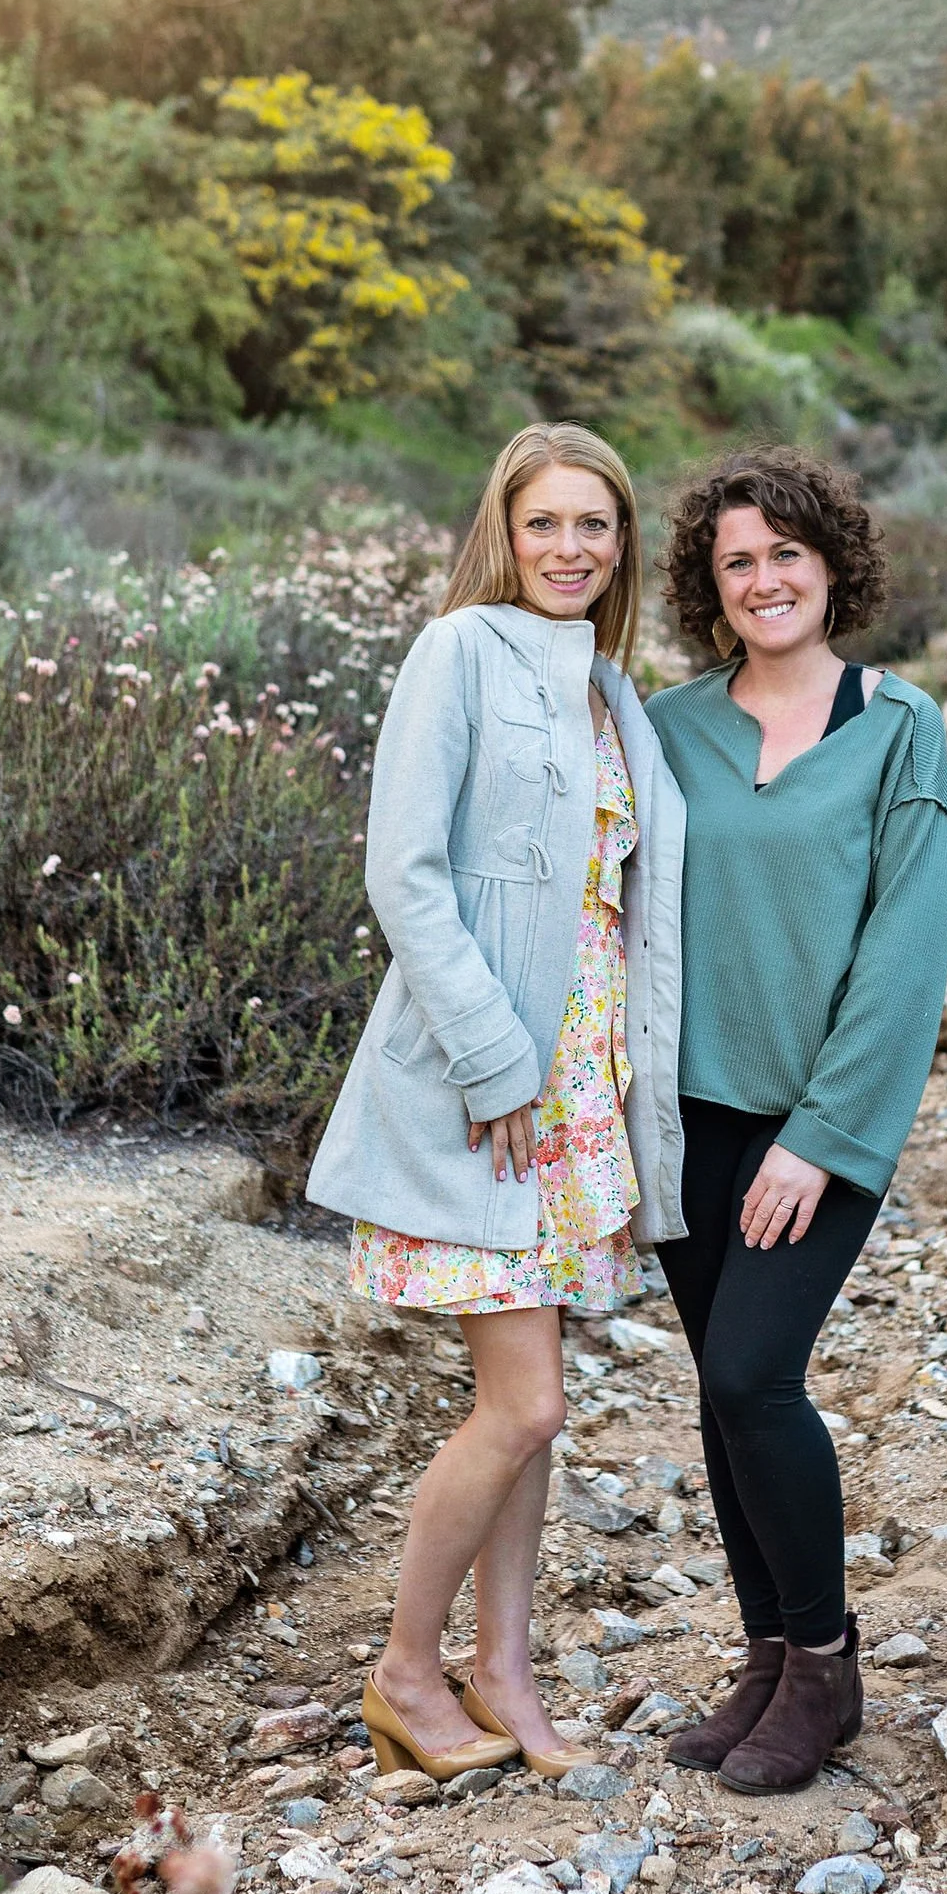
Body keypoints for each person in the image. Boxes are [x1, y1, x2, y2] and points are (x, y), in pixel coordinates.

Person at [307, 423, 685, 1783]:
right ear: (503, 533)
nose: (572, 548)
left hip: (577, 1090)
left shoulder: (610, 694)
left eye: (597, 525)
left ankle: (506, 1675)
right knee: (521, 1408)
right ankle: (408, 1671)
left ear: (623, 541)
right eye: (547, 524)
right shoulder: (459, 651)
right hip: (496, 1089)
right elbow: (404, 874)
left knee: (541, 1402)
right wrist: (493, 1060)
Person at [645, 448, 947, 1792]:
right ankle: (768, 1658)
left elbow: (905, 956)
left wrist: (822, 1136)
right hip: (683, 1118)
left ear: (831, 565)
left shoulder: (898, 726)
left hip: (812, 1125)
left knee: (752, 1376)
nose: (764, 577)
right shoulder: (667, 727)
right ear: (710, 590)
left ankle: (827, 1669)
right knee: (721, 1398)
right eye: (738, 561)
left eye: (786, 552)